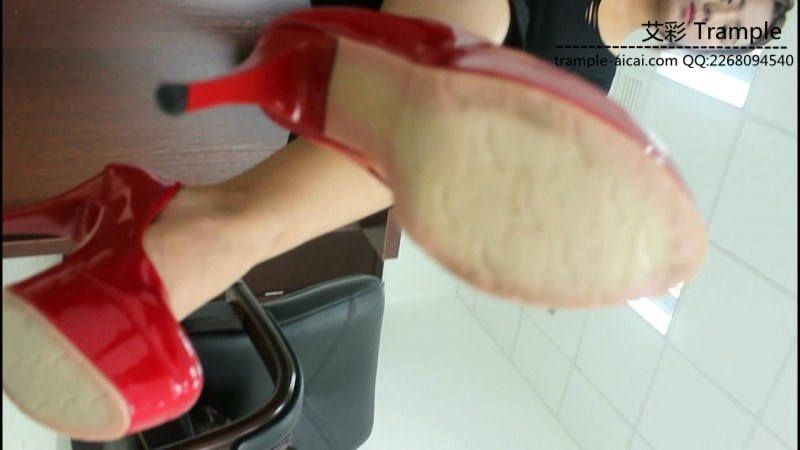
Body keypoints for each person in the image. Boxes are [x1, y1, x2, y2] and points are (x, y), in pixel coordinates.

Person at [2, 0, 792, 440]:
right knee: (477, 64)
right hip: (411, 28)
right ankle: (188, 237)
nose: (725, 6)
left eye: (735, 27)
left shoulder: (595, 87)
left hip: (354, 102)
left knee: (476, 118)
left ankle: (183, 235)